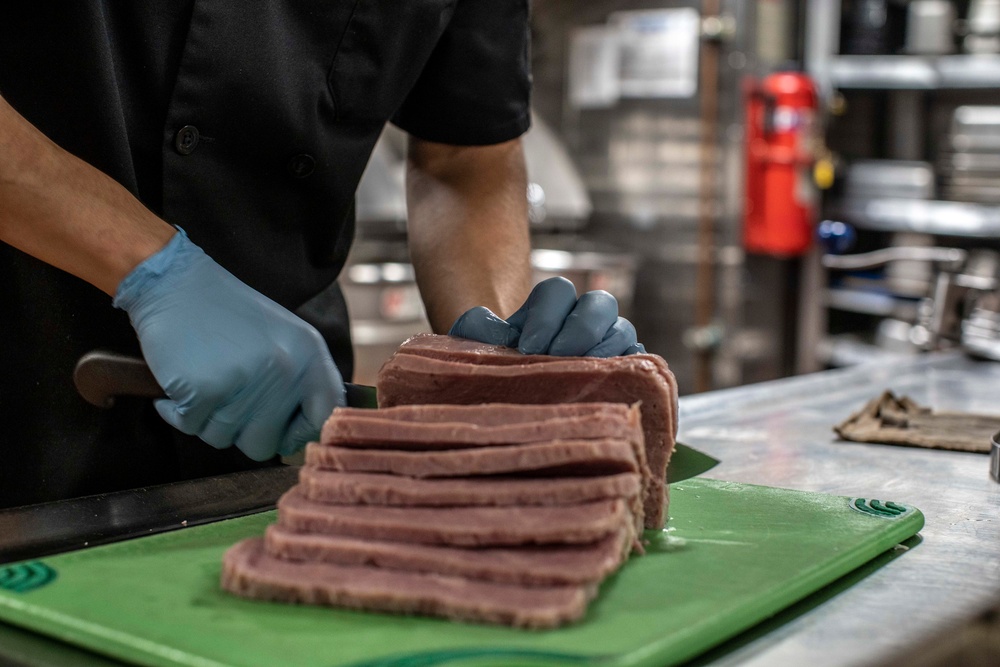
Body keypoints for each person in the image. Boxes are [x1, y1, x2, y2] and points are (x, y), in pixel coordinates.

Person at [0, 2, 640, 509]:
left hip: (280, 427)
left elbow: (463, 155)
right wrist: (152, 270)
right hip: (25, 382)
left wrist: (496, 363)